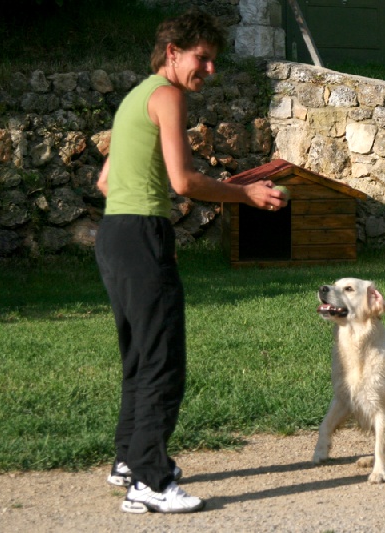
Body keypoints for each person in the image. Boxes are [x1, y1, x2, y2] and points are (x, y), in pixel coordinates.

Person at [95, 8, 287, 514]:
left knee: (140, 356)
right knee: (162, 361)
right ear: (173, 52)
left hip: (116, 234)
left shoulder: (136, 98)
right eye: (202, 59)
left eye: (213, 62)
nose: (209, 70)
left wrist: (146, 215)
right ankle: (151, 484)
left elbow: (105, 182)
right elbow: (183, 182)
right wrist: (245, 193)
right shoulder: (168, 96)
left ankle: (129, 461)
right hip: (139, 234)